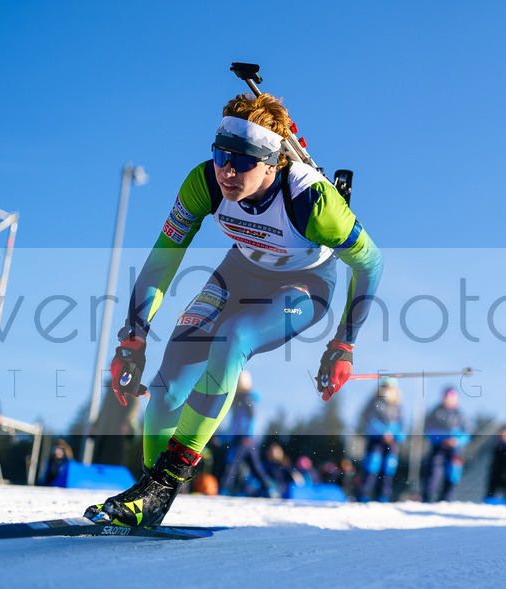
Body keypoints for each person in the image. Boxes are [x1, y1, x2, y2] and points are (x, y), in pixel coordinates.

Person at [85, 88, 383, 527]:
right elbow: (164, 257)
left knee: (233, 339)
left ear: (272, 163)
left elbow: (371, 264)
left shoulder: (313, 202)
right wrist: (133, 337)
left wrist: (344, 343)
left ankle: (164, 482)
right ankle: (150, 493)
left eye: (243, 161)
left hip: (306, 284)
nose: (227, 170)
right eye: (221, 155)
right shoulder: (203, 181)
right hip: (239, 272)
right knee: (169, 384)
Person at [357, 378, 406, 502]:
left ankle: (383, 495)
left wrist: (396, 436)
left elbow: (402, 426)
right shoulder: (375, 403)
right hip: (376, 441)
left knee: (388, 468)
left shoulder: (398, 406)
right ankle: (364, 494)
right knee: (372, 466)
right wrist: (383, 433)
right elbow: (370, 421)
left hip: (392, 443)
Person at [420, 388, 470, 502]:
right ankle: (428, 496)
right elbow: (429, 430)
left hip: (455, 449)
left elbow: (466, 434)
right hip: (439, 447)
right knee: (434, 470)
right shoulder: (436, 412)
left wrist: (456, 440)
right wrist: (442, 438)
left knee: (454, 471)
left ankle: (447, 497)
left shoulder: (460, 415)